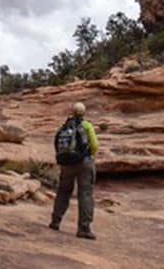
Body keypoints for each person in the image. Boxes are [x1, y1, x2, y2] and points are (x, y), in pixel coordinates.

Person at [49, 102, 98, 240]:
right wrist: (90, 155)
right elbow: (94, 144)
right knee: (85, 194)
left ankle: (55, 221)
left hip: (66, 164)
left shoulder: (64, 127)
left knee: (63, 192)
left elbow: (56, 144)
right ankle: (84, 228)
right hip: (83, 163)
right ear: (84, 112)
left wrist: (64, 158)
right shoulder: (86, 125)